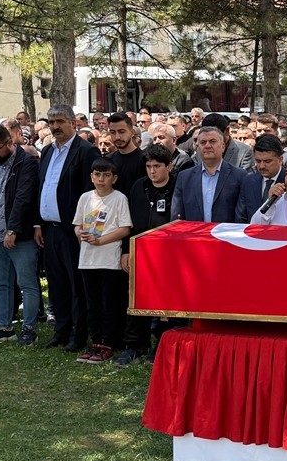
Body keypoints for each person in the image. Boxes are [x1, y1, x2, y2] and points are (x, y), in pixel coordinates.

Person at [36, 104, 100, 352]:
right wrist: (37, 224)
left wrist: (87, 228)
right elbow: (41, 189)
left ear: (73, 123)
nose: (55, 127)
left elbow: (93, 193)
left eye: (60, 121)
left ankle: (79, 334)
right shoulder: (47, 152)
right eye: (51, 122)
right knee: (57, 283)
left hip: (73, 229)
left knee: (77, 285)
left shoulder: (86, 151)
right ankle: (61, 330)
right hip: (49, 229)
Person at [0, 122, 42, 345]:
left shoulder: (27, 163)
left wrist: (13, 229)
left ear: (10, 142)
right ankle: (4, 326)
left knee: (27, 283)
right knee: (0, 283)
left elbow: (23, 198)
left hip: (19, 236)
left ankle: (29, 328)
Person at [115, 144, 179, 365]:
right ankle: (135, 344)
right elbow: (129, 222)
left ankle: (162, 343)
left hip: (168, 254)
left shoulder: (176, 188)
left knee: (165, 302)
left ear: (168, 166)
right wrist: (126, 250)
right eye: (149, 166)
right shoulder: (138, 186)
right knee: (136, 299)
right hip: (140, 251)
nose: (152, 171)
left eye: (157, 166)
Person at [72, 157, 132, 364]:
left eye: (106, 175)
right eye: (97, 175)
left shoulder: (119, 199)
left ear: (114, 178)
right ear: (91, 176)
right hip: (88, 260)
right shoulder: (85, 198)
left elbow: (124, 228)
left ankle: (108, 342)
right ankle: (95, 341)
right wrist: (81, 234)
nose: (101, 179)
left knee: (110, 303)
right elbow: (77, 225)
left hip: (109, 260)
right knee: (93, 303)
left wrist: (101, 240)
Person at [171, 126, 247, 223]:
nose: (207, 146)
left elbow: (242, 215)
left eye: (212, 141)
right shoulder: (184, 177)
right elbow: (177, 215)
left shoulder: (239, 176)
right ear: (198, 147)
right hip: (194, 235)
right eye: (203, 142)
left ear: (223, 147)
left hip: (225, 235)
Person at [235, 134, 287, 224]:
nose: (262, 166)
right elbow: (241, 217)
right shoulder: (248, 181)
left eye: (267, 161)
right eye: (258, 161)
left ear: (280, 160)